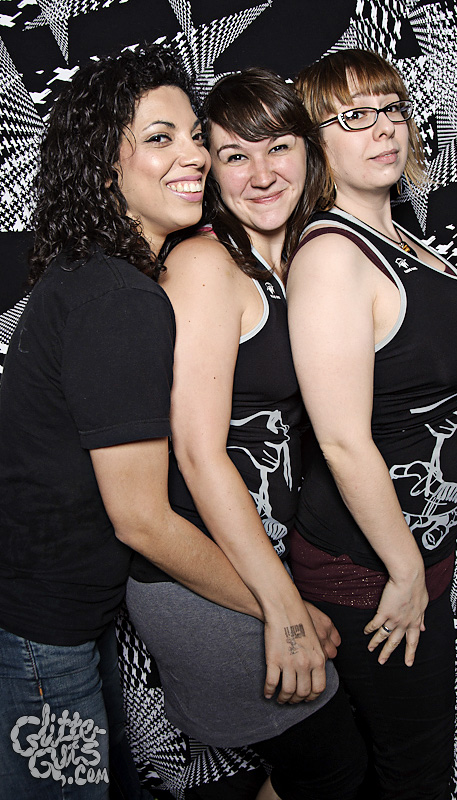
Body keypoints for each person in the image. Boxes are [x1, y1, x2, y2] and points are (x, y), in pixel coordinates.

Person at [0, 45, 276, 800]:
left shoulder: (95, 276)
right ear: (104, 166)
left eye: (195, 135)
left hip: (60, 628)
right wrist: (275, 610)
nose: (195, 155)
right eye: (160, 138)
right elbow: (142, 520)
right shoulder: (118, 298)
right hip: (42, 640)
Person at [126, 68, 365, 800]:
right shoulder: (207, 264)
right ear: (212, 169)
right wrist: (282, 607)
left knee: (317, 773)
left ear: (308, 152)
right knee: (333, 770)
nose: (261, 175)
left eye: (278, 147)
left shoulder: (300, 263)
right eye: (235, 155)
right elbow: (198, 454)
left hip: (260, 560)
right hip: (197, 575)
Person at [286, 49, 457, 800]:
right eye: (354, 116)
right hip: (371, 570)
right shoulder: (332, 255)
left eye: (391, 108)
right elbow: (342, 440)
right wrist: (405, 574)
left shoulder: (406, 241)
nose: (383, 127)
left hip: (421, 554)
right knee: (413, 773)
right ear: (317, 145)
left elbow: (409, 357)